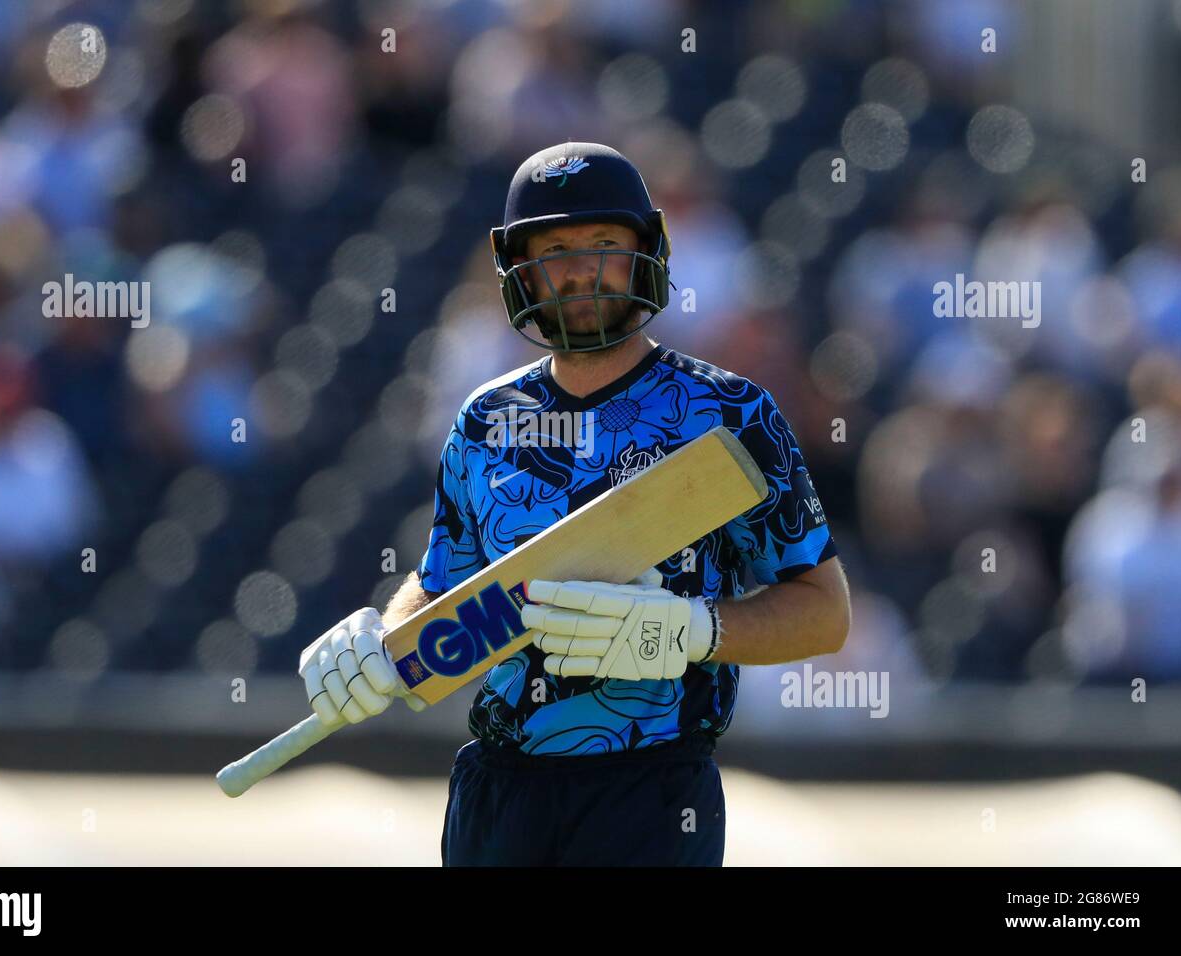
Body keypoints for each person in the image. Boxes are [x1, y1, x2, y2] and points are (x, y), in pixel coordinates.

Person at [297, 143, 851, 866]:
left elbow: (825, 613)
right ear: (517, 270)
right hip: (499, 793)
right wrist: (382, 646)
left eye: (603, 245)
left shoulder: (731, 414)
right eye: (555, 249)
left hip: (651, 792)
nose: (580, 269)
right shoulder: (484, 420)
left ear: (645, 252)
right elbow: (445, 589)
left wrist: (693, 630)